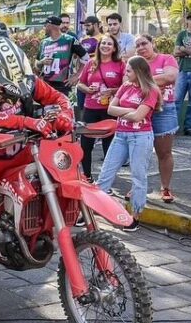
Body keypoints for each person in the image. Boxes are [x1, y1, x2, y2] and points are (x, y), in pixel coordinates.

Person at [0, 35, 73, 320]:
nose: (17, 93)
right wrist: (27, 121)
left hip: (25, 152)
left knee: (57, 184)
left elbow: (60, 98)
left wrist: (65, 116)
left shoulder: (29, 81)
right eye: (7, 89)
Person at [96, 56, 163, 232]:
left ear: (138, 71)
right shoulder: (125, 86)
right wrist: (130, 110)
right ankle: (92, 210)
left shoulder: (151, 90)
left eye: (129, 71)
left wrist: (126, 112)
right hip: (121, 135)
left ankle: (135, 216)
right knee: (106, 173)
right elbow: (110, 109)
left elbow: (138, 116)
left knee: (138, 177)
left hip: (140, 136)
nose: (125, 73)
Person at [135, 34, 179, 203]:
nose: (141, 47)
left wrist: (142, 81)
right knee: (138, 153)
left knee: (164, 152)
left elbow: (170, 77)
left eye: (144, 43)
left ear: (152, 43)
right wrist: (154, 83)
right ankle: (137, 187)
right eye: (137, 45)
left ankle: (165, 188)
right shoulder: (136, 63)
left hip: (164, 110)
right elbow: (127, 81)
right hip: (140, 110)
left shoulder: (167, 58)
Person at [76, 33, 124, 179]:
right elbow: (80, 83)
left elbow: (126, 86)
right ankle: (87, 177)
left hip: (109, 110)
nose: (105, 46)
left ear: (114, 48)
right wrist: (87, 89)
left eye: (109, 44)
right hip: (90, 108)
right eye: (103, 43)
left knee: (109, 146)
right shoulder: (91, 63)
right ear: (99, 46)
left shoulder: (120, 64)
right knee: (86, 145)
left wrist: (113, 91)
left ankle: (106, 180)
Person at [34, 16, 86, 95]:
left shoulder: (70, 40)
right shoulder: (44, 42)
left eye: (45, 25)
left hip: (63, 85)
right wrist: (41, 62)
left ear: (50, 26)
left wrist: (77, 76)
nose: (43, 28)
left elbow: (86, 58)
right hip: (46, 85)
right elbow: (36, 64)